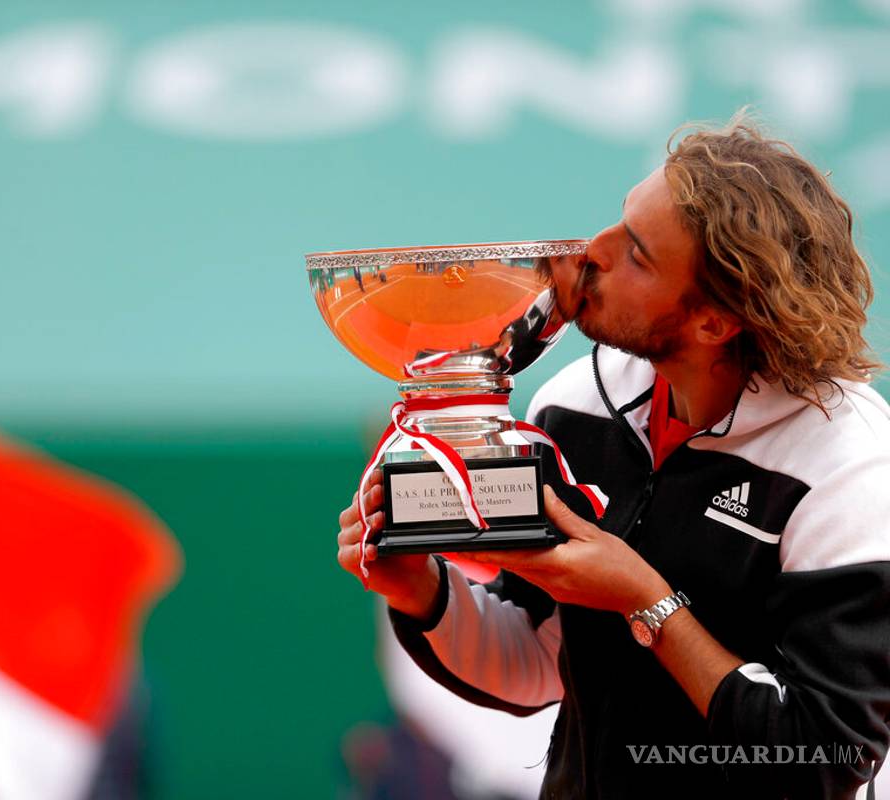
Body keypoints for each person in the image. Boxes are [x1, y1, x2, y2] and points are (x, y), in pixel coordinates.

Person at [336, 114, 890, 799]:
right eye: (621, 220)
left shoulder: (848, 464)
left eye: (637, 254)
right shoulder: (577, 403)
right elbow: (537, 658)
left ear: (713, 322)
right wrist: (419, 590)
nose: (592, 250)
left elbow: (823, 759)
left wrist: (647, 602)